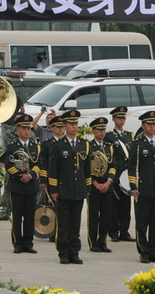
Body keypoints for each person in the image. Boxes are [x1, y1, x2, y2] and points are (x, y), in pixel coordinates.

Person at [48, 110, 91, 265]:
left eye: (76, 124)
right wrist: (53, 190)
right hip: (63, 190)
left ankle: (75, 251)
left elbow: (87, 169)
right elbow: (53, 169)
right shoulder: (58, 145)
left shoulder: (84, 144)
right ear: (65, 125)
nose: (74, 127)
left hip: (78, 190)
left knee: (76, 223)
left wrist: (87, 188)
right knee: (64, 224)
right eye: (71, 124)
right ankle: (63, 252)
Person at [127, 111, 155, 264]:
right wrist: (134, 186)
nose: (152, 127)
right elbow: (132, 167)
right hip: (143, 190)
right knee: (142, 222)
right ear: (143, 125)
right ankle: (143, 251)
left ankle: (154, 251)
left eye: (154, 124)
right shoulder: (137, 145)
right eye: (149, 124)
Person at [5, 114, 40, 254]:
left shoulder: (34, 146)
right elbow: (8, 165)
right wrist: (20, 176)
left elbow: (38, 164)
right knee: (18, 216)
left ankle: (28, 243)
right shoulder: (12, 146)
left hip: (31, 185)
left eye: (29, 128)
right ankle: (18, 243)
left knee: (30, 216)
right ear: (17, 129)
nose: (27, 131)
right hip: (17, 185)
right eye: (24, 128)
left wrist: (30, 175)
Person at [104, 106, 136, 242]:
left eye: (123, 118)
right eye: (118, 118)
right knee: (114, 205)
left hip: (126, 176)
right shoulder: (109, 137)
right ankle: (113, 231)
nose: (121, 120)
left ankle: (124, 230)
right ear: (113, 119)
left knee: (125, 205)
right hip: (116, 175)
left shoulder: (129, 136)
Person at [87, 117, 115, 253]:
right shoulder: (89, 146)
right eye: (99, 129)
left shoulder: (109, 147)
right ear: (93, 131)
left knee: (106, 216)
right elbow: (86, 168)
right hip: (94, 187)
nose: (102, 132)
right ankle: (93, 242)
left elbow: (113, 166)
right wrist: (96, 183)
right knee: (93, 216)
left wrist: (108, 182)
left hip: (107, 186)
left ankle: (102, 242)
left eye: (104, 129)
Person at [38, 115, 64, 242]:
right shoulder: (48, 144)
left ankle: (62, 231)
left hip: (65, 180)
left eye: (62, 127)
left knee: (63, 207)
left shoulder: (66, 143)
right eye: (58, 127)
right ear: (52, 128)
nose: (60, 129)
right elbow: (43, 163)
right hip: (51, 179)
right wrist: (43, 180)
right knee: (53, 207)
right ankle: (53, 232)